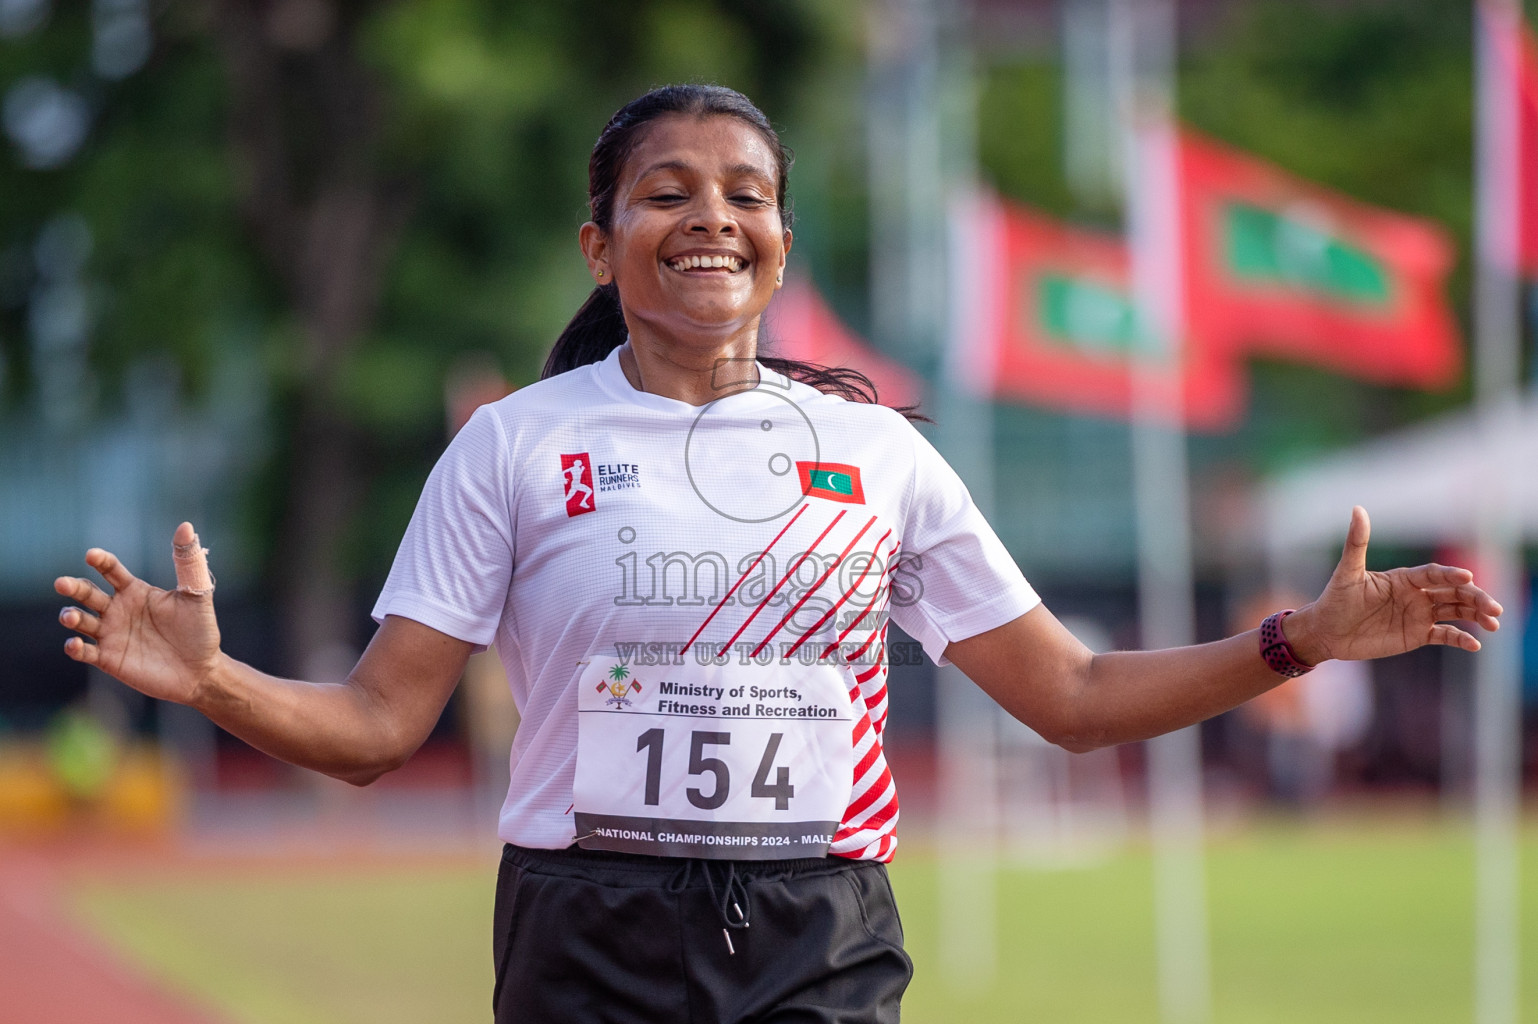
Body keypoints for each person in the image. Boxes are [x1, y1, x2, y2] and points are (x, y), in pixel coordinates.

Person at [53, 84, 1503, 1023]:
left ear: (782, 244)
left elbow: (1067, 698)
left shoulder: (874, 456)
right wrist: (219, 681)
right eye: (667, 189)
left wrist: (1293, 643)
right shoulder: (511, 445)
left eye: (743, 192)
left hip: (818, 931)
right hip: (587, 939)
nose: (709, 217)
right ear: (599, 238)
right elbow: (377, 727)